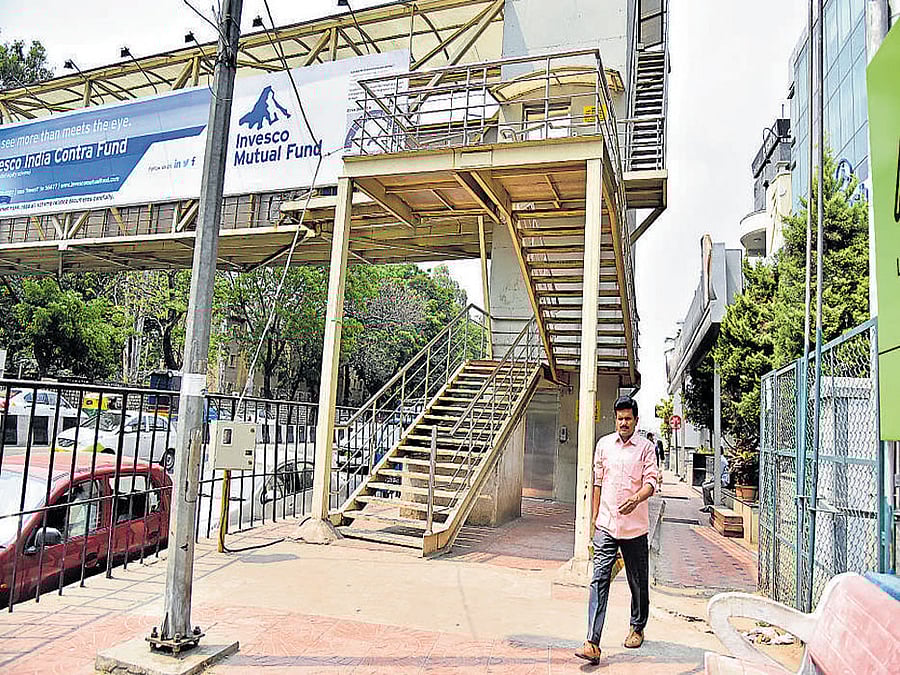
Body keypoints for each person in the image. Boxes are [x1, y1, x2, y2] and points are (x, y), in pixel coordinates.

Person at [575, 396, 660, 665]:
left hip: (635, 529)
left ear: (636, 420)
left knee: (637, 581)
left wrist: (636, 498)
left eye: (628, 418)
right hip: (607, 526)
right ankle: (592, 642)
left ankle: (637, 627)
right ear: (615, 419)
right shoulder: (604, 445)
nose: (624, 423)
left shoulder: (646, 448)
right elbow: (597, 482)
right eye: (620, 418)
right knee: (599, 580)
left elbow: (651, 482)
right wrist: (594, 518)